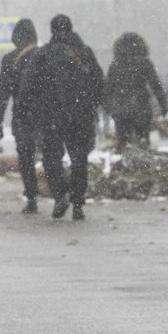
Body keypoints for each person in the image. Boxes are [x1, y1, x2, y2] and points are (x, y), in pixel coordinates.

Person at [20, 14, 104, 221]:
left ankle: (60, 195)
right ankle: (78, 203)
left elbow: (27, 87)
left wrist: (28, 110)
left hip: (50, 116)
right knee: (79, 158)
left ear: (52, 30)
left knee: (51, 158)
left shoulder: (42, 55)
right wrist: (94, 105)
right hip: (80, 115)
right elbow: (99, 81)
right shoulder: (84, 52)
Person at [0, 18, 41, 213]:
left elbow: (3, 93)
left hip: (22, 116)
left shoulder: (10, 59)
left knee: (26, 157)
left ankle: (31, 196)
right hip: (46, 115)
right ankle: (58, 190)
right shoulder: (43, 55)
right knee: (51, 153)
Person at [104, 32, 168, 152]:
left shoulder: (115, 64)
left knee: (123, 142)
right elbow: (156, 85)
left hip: (121, 109)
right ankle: (144, 163)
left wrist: (109, 108)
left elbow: (108, 89)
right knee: (143, 139)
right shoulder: (145, 62)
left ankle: (125, 163)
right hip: (141, 107)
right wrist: (163, 105)